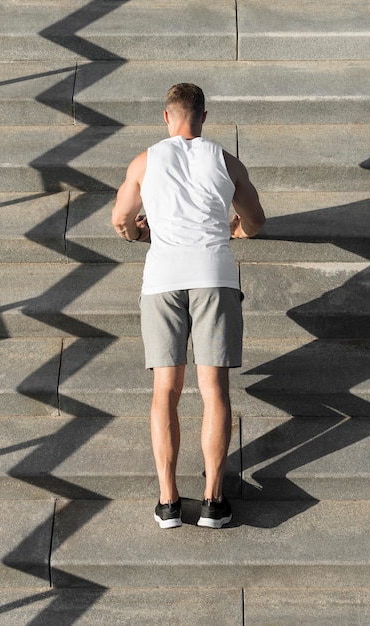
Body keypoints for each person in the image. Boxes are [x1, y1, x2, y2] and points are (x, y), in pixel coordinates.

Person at [112, 83, 265, 529]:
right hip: (214, 276)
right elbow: (255, 220)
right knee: (214, 391)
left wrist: (142, 234)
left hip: (162, 280)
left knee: (166, 391)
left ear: (166, 117)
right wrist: (233, 230)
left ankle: (168, 502)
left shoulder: (144, 161)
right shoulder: (226, 160)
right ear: (203, 116)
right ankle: (214, 501)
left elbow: (121, 220)